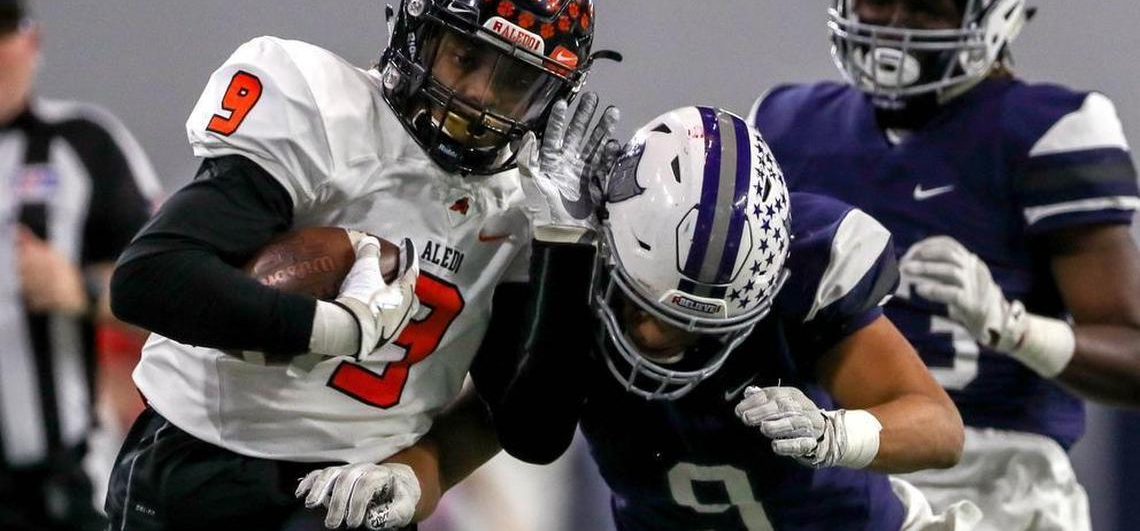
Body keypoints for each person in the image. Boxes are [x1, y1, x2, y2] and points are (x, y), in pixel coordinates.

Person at [104, 0, 619, 531]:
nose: (478, 97)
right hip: (202, 464)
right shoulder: (323, 108)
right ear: (417, 29)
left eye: (513, 81)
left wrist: (568, 245)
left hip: (355, 493)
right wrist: (331, 328)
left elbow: (532, 430)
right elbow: (148, 279)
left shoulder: (525, 204)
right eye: (464, 57)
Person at [356, 107, 979, 531]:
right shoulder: (574, 264)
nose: (653, 337)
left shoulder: (807, 270)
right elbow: (481, 427)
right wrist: (410, 481)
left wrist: (837, 434)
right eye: (637, 304)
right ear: (610, 253)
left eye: (695, 327)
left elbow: (937, 428)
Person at [750, 0, 1140, 529]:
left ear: (998, 5)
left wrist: (1014, 328)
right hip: (835, 456)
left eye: (928, 4)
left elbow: (1134, 357)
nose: (894, 23)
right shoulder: (786, 123)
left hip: (997, 477)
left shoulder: (1047, 132)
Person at [0, 0, 162, 531]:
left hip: (59, 486)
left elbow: (178, 295)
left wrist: (79, 287)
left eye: (3, 31)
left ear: (31, 40)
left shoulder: (83, 147)